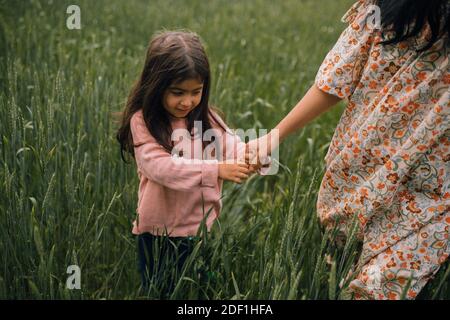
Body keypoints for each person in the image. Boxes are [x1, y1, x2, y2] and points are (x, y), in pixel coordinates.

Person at [248, 0, 449, 299]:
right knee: (341, 271)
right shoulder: (382, 11)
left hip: (429, 193)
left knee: (375, 288)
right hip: (360, 179)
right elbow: (335, 79)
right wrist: (272, 136)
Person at [116, 30, 258, 297]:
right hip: (158, 234)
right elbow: (160, 168)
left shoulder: (204, 117)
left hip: (200, 228)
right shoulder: (143, 121)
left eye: (196, 92)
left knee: (196, 291)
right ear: (155, 86)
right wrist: (216, 169)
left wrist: (251, 155)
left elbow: (230, 145)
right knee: (161, 292)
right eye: (177, 92)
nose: (187, 101)